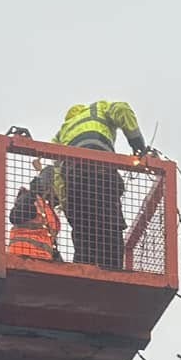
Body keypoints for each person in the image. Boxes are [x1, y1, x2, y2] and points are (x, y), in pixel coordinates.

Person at [53, 99, 152, 270]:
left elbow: (55, 169)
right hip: (101, 168)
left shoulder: (63, 131)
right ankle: (113, 270)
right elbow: (122, 109)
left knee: (82, 227)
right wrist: (138, 146)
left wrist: (65, 201)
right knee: (110, 223)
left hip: (73, 177)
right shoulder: (99, 108)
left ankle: (83, 269)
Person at [7, 164, 62, 262]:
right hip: (22, 257)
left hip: (43, 260)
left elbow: (48, 239)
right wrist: (32, 193)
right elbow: (15, 217)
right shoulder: (30, 199)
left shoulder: (48, 210)